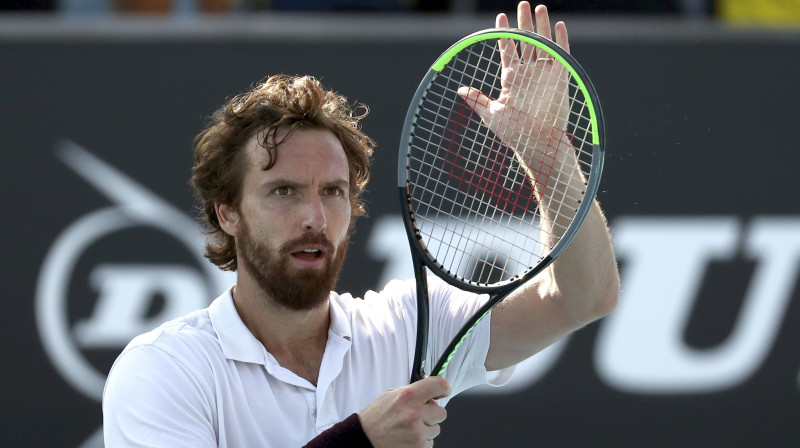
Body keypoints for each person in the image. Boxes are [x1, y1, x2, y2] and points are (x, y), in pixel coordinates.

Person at [102, 2, 619, 447]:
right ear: (227, 211)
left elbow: (583, 298)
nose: (315, 218)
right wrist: (361, 440)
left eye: (333, 191)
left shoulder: (406, 326)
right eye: (284, 191)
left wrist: (547, 156)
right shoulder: (164, 369)